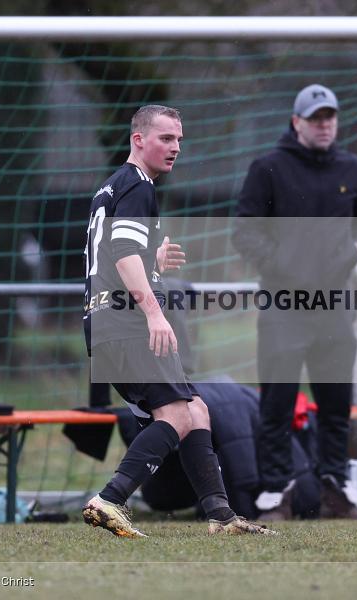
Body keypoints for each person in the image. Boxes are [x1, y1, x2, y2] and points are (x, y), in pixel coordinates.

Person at [82, 104, 274, 538]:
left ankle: (221, 516)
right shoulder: (137, 185)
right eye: (166, 138)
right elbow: (123, 255)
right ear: (138, 140)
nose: (176, 148)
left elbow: (116, 255)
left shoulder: (113, 187)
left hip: (107, 320)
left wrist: (152, 262)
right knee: (177, 414)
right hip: (127, 321)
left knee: (195, 409)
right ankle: (110, 499)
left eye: (179, 140)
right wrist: (154, 312)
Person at [233, 84, 357, 520]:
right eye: (315, 118)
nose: (324, 125)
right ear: (296, 122)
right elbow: (244, 232)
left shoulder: (351, 167)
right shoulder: (268, 168)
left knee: (336, 404)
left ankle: (336, 487)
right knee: (277, 404)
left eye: (329, 117)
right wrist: (282, 264)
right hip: (284, 308)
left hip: (334, 306)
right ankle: (275, 493)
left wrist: (356, 249)